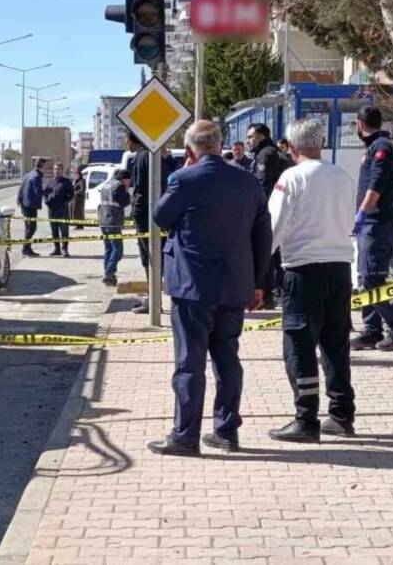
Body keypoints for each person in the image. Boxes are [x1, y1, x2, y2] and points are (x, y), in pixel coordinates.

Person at [147, 121, 272, 456]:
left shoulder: (185, 179)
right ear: (220, 146)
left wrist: (183, 174)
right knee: (228, 359)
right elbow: (263, 236)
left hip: (192, 289)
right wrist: (259, 283)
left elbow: (160, 216)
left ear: (190, 150)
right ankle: (226, 432)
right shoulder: (248, 182)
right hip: (235, 285)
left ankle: (185, 436)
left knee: (190, 363)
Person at [265, 119, 358, 442]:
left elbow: (273, 227)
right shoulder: (342, 177)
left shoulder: (291, 177)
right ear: (321, 143)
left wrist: (258, 266)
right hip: (340, 267)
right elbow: (350, 220)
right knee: (336, 343)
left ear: (290, 147)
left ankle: (306, 418)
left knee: (299, 344)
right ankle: (342, 413)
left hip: (303, 269)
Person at [350, 105, 393, 351]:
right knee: (365, 276)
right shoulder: (374, 147)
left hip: (377, 222)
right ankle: (371, 330)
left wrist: (363, 212)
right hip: (370, 222)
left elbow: (376, 184)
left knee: (372, 279)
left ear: (359, 123)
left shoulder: (381, 148)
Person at [126, 133, 174, 314]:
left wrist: (136, 209)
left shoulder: (143, 156)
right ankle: (152, 298)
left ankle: (154, 301)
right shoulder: (152, 155)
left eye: (127, 140)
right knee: (153, 256)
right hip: (152, 209)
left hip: (144, 212)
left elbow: (140, 187)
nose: (126, 144)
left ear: (133, 140)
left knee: (149, 257)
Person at [247, 123, 289, 310]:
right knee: (275, 256)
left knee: (266, 255)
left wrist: (257, 212)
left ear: (262, 136)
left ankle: (268, 296)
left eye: (252, 137)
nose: (249, 141)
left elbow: (263, 186)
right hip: (275, 211)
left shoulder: (266, 154)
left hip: (267, 213)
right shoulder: (270, 152)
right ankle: (276, 294)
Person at [98, 169, 131, 285]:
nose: (129, 182)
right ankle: (109, 273)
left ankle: (108, 274)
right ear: (124, 179)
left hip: (103, 220)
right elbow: (124, 202)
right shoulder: (118, 186)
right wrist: (127, 190)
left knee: (108, 249)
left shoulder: (106, 184)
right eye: (128, 180)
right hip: (113, 221)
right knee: (117, 250)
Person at [17, 158, 49, 257]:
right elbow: (38, 192)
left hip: (25, 205)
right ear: (42, 166)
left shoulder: (28, 174)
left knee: (28, 228)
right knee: (32, 228)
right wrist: (49, 191)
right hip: (30, 206)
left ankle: (28, 249)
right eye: (45, 166)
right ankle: (25, 249)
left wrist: (19, 200)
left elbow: (21, 188)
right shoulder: (36, 177)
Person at [46, 162, 74, 257]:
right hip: (52, 210)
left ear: (62, 170)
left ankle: (64, 249)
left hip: (62, 211)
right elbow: (45, 194)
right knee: (54, 231)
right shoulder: (50, 182)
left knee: (64, 231)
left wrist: (65, 202)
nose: (56, 171)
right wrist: (46, 202)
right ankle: (56, 249)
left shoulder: (67, 181)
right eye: (55, 169)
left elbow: (72, 194)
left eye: (58, 169)